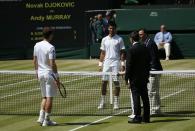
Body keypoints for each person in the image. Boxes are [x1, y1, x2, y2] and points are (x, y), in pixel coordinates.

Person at [33, 27, 59, 126]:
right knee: (49, 98)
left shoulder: (36, 45)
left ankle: (41, 117)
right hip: (49, 74)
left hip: (40, 74)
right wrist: (57, 77)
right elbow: (52, 64)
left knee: (44, 96)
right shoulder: (51, 47)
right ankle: (47, 120)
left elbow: (34, 60)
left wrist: (36, 72)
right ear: (50, 35)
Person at [98, 22, 125, 110]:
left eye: (113, 28)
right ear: (108, 29)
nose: (111, 30)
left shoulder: (119, 39)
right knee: (103, 82)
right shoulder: (104, 39)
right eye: (110, 28)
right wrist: (100, 64)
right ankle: (102, 102)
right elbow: (102, 53)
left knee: (116, 83)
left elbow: (122, 53)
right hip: (106, 63)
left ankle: (116, 103)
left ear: (115, 29)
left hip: (116, 63)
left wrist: (122, 64)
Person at [125, 31, 150, 123]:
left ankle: (137, 117)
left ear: (131, 39)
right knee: (145, 98)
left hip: (134, 79)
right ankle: (146, 118)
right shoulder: (145, 47)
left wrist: (126, 78)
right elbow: (148, 62)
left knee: (136, 97)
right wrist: (146, 75)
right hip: (144, 78)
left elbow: (129, 66)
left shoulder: (131, 50)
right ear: (138, 38)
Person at [139, 28, 163, 115]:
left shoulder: (151, 43)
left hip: (154, 71)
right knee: (153, 91)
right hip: (149, 71)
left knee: (152, 91)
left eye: (141, 34)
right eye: (139, 35)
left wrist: (153, 70)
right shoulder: (144, 43)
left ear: (146, 34)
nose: (140, 36)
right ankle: (156, 109)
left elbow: (154, 58)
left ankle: (154, 110)